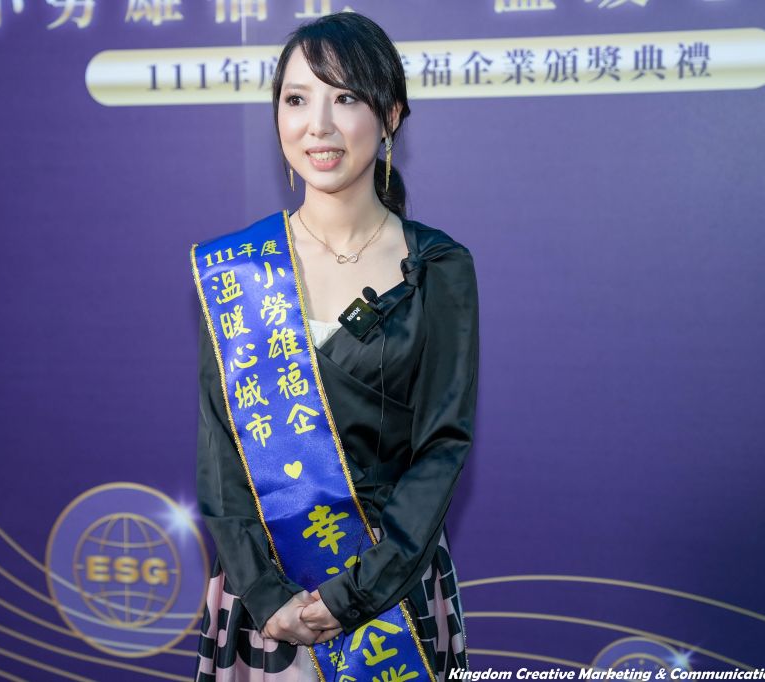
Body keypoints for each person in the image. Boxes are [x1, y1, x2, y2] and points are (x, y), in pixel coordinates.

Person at [192, 12, 478, 682]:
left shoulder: (436, 267)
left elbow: (442, 445)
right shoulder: (240, 270)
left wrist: (356, 593)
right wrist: (268, 596)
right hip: (264, 599)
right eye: (297, 99)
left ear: (391, 116)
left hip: (391, 590)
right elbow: (221, 449)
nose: (316, 125)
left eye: (345, 97)